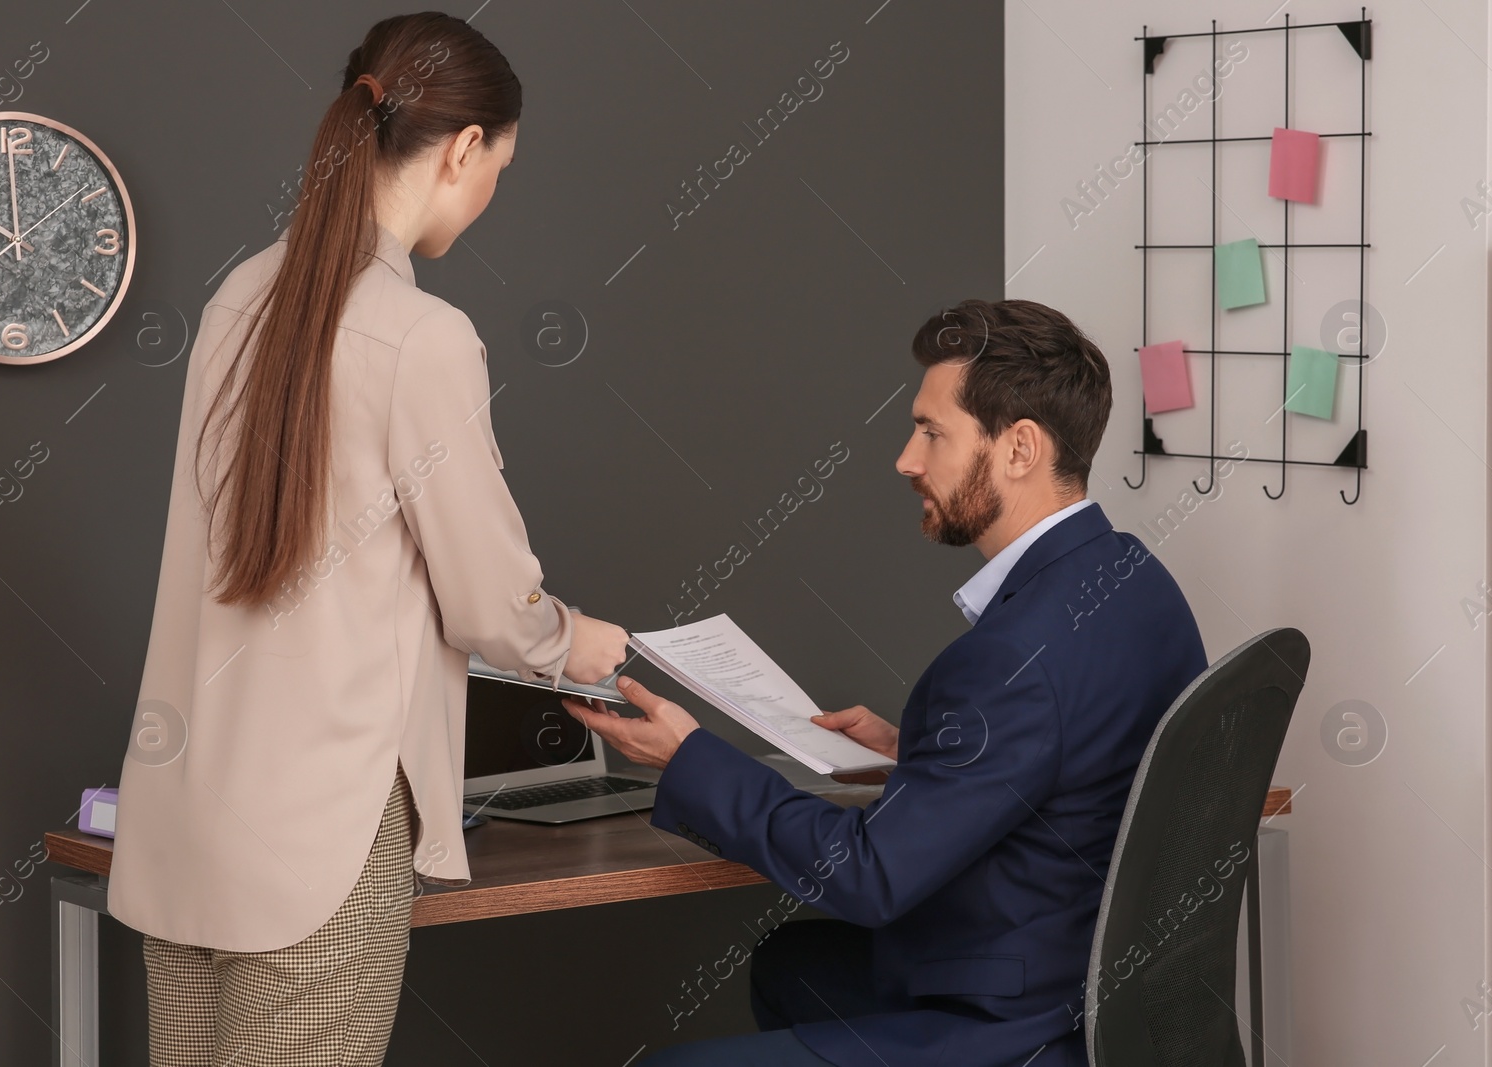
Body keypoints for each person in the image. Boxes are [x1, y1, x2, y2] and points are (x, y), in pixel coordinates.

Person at [105, 14, 629, 1066]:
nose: (490, 196)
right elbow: (490, 605)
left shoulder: (238, 296)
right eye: (501, 167)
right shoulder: (422, 335)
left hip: (186, 820)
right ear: (464, 148)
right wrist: (582, 642)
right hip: (320, 844)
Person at [565, 298, 1209, 1067]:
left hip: (1018, 1025)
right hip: (1107, 988)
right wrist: (926, 754)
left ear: (1020, 448)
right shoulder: (1136, 576)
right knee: (791, 966)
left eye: (932, 431)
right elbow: (1082, 757)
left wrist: (689, 756)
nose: (907, 459)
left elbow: (867, 878)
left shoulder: (1008, 659)